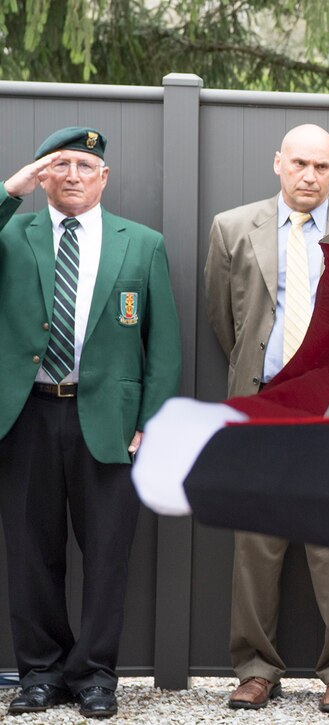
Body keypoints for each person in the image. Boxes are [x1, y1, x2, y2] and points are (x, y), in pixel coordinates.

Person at [203, 123, 329, 713]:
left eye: (321, 167)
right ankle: (256, 667)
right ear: (278, 163)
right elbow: (222, 319)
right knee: (257, 542)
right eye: (300, 163)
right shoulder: (233, 229)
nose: (309, 176)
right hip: (262, 403)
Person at [0, 127, 181, 718]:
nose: (72, 174)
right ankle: (40, 674)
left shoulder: (143, 243)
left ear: (104, 177)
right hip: (26, 415)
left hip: (107, 420)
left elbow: (165, 347)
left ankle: (97, 675)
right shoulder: (13, 234)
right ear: (41, 176)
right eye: (59, 165)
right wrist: (11, 190)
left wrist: (148, 423)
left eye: (85, 164)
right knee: (31, 550)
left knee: (107, 552)